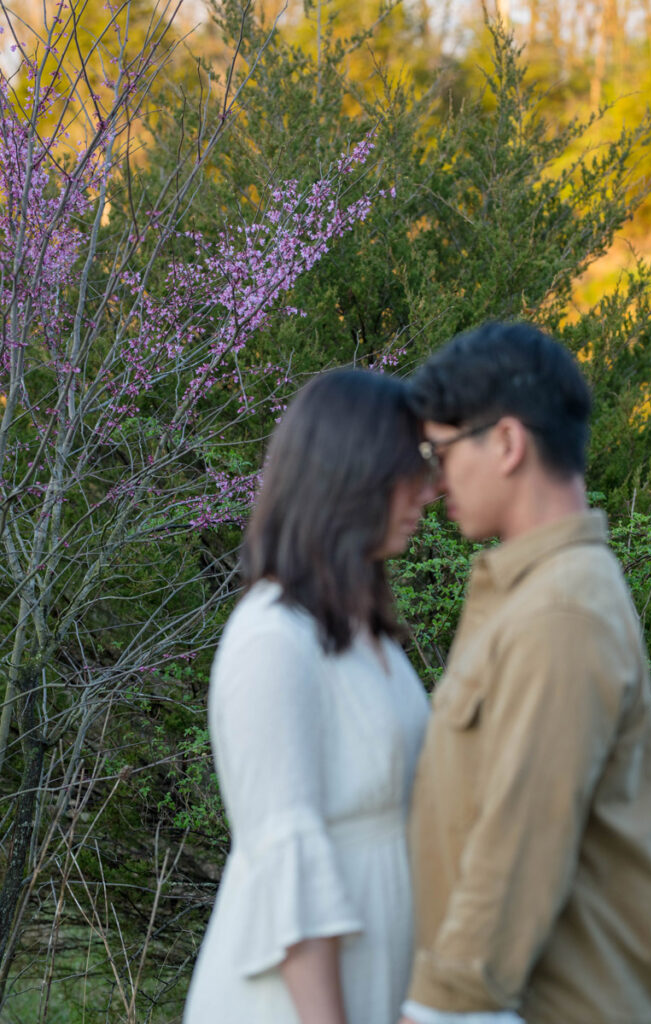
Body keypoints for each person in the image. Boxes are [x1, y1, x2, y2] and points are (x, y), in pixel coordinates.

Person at [399, 321, 651, 1024]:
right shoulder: (535, 595)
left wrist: (437, 1008)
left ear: (508, 444)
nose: (434, 480)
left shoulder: (560, 613)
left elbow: (517, 848)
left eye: (443, 450)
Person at [184, 368, 435, 1024]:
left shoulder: (361, 630)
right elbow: (284, 855)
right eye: (408, 473)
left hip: (380, 981)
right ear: (350, 476)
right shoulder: (271, 638)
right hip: (293, 1004)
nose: (427, 493)